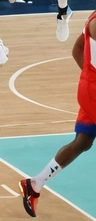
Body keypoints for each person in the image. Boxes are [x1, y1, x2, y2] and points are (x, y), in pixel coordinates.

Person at [19, 11, 96, 218]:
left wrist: (88, 76)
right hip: (93, 90)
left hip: (90, 86)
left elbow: (77, 49)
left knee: (83, 142)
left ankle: (35, 183)